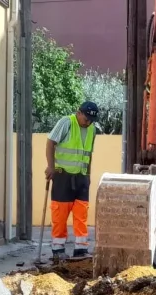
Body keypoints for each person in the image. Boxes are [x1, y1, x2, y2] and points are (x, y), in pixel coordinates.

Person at [44, 101, 99, 260]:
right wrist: (51, 166)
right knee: (60, 213)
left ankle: (81, 249)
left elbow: (88, 154)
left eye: (91, 120)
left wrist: (88, 175)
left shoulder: (92, 130)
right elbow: (50, 143)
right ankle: (58, 248)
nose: (88, 122)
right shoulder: (66, 122)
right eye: (86, 118)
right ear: (79, 112)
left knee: (81, 213)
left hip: (81, 177)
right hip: (63, 176)